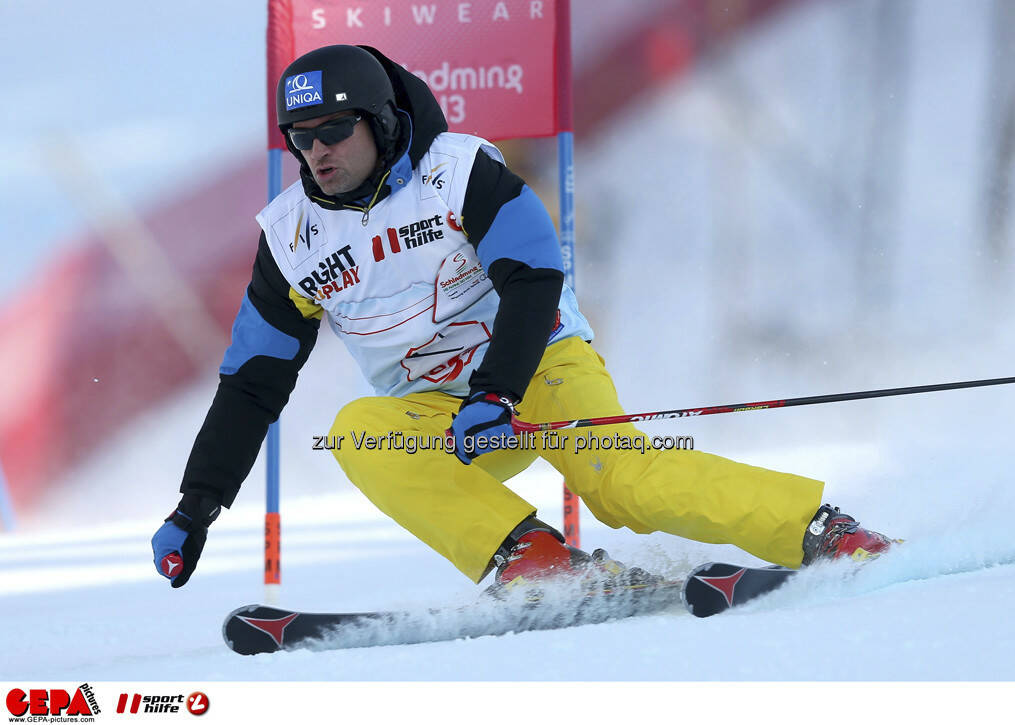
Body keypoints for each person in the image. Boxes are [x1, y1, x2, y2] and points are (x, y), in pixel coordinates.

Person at [152, 45, 896, 594]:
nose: (317, 152)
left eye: (334, 131)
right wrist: (197, 504)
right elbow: (252, 382)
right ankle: (531, 556)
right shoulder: (290, 239)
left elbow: (534, 274)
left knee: (623, 485)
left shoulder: (458, 170)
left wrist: (499, 389)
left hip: (538, 366)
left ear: (379, 121)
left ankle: (820, 529)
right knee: (357, 431)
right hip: (439, 410)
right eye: (301, 136)